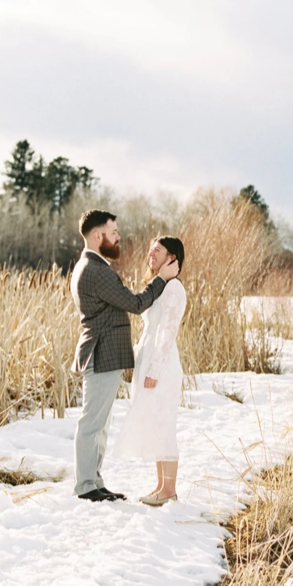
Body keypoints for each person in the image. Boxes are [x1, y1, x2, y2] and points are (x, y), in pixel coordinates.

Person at [70, 210, 179, 502]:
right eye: (113, 232)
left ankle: (94, 481)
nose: (119, 237)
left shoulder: (91, 266)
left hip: (104, 353)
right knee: (92, 423)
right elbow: (135, 302)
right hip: (101, 352)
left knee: (99, 424)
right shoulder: (96, 270)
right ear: (97, 236)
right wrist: (161, 279)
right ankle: (86, 485)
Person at [113, 236, 187, 506]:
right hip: (149, 361)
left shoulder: (175, 289)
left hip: (163, 365)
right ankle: (160, 486)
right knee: (156, 423)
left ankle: (170, 490)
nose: (151, 253)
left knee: (164, 423)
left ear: (172, 258)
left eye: (158, 250)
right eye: (151, 249)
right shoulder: (159, 287)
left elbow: (167, 334)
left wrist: (154, 370)